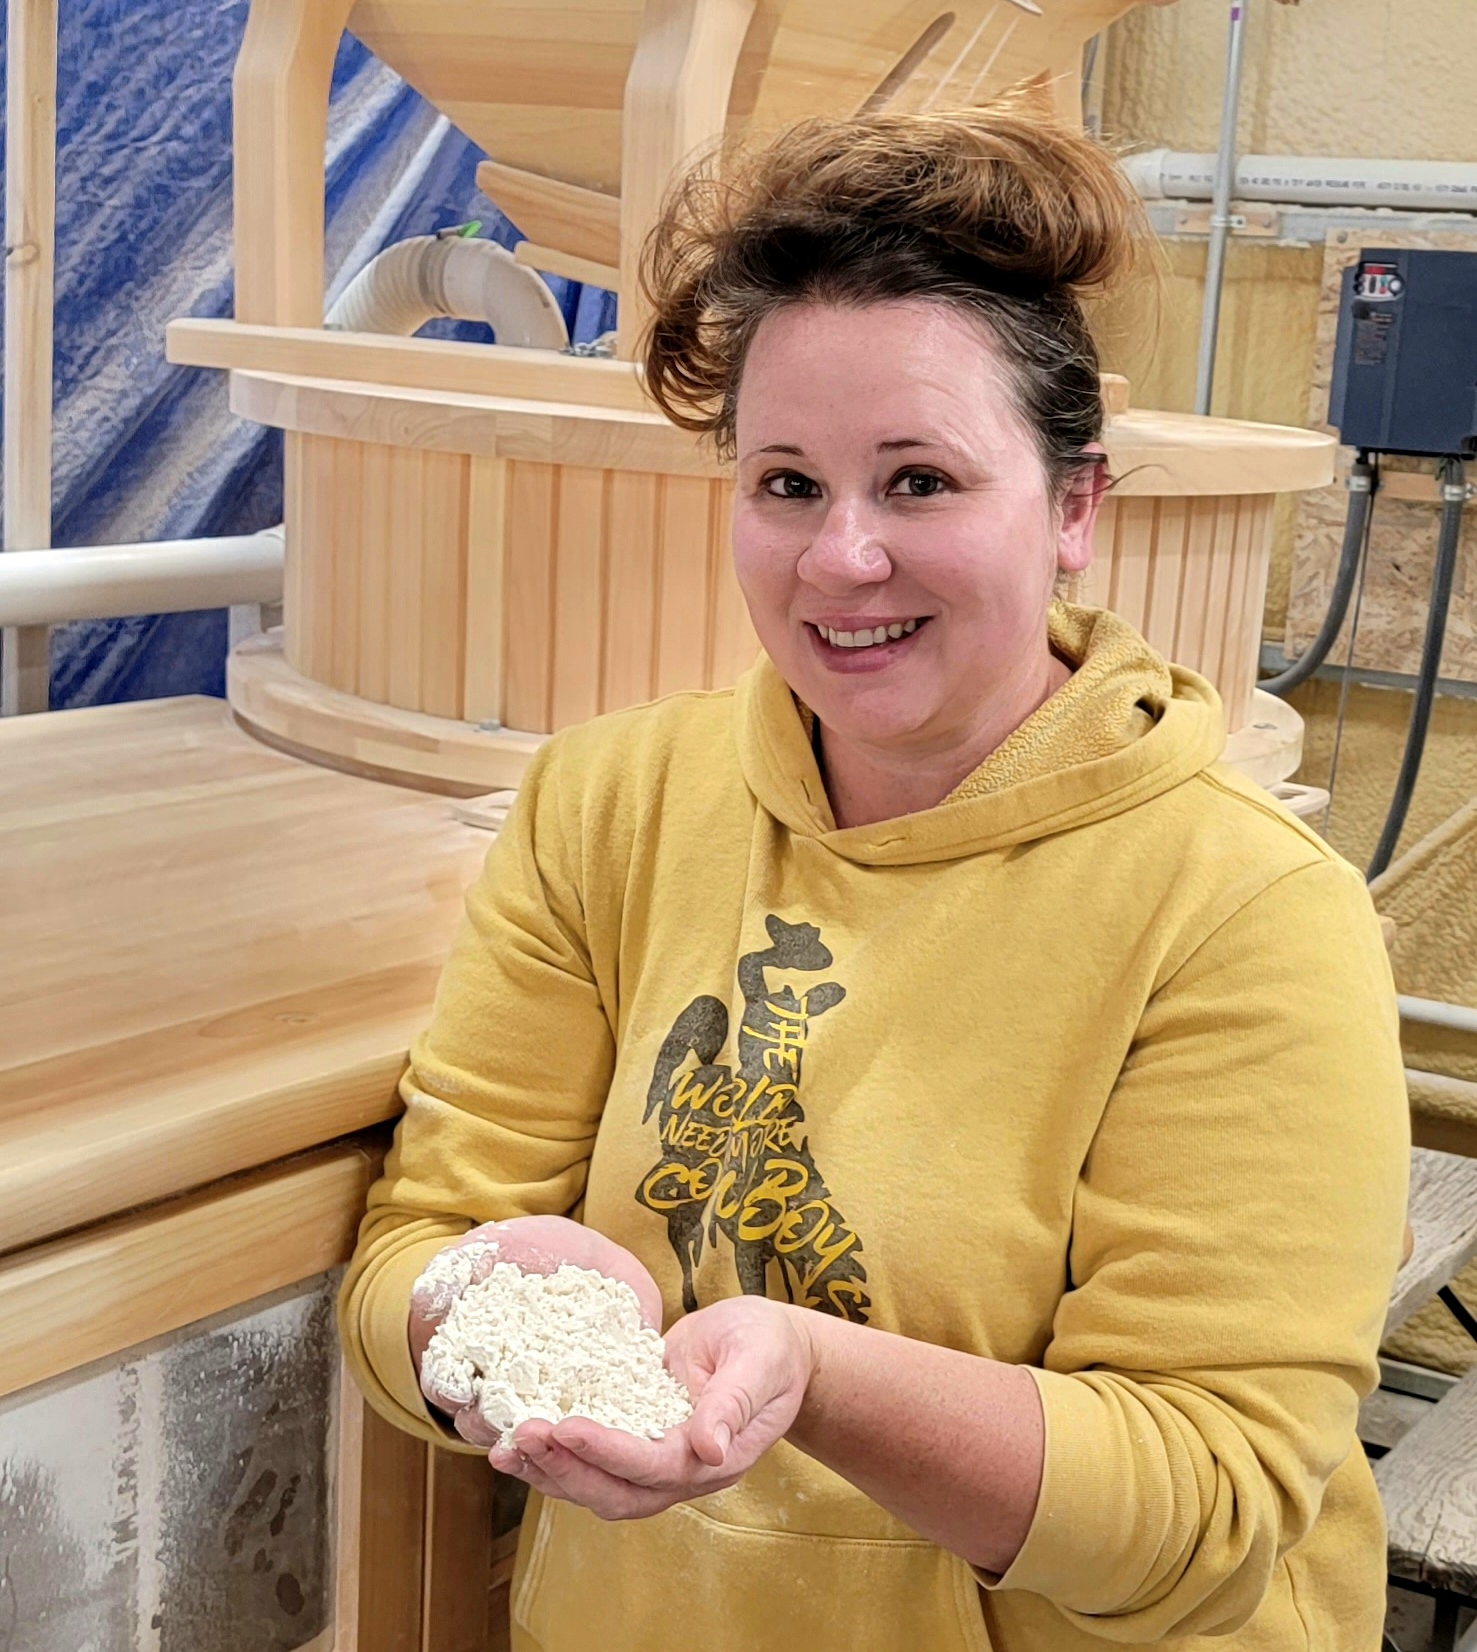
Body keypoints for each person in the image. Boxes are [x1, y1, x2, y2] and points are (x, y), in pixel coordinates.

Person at [339, 98, 1409, 1652]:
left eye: (919, 481)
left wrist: (815, 1377)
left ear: (1076, 511)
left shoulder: (1242, 911)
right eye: (786, 483)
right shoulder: (612, 805)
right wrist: (472, 1309)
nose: (841, 559)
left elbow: (1207, 1508)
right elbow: (408, 1262)